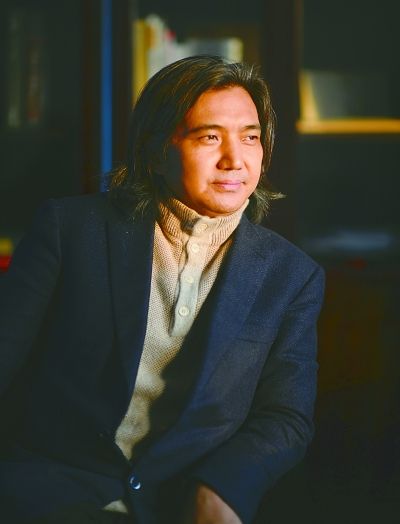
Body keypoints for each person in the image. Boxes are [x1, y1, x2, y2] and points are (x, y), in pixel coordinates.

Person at [0, 55, 324, 524]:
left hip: (179, 501)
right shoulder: (69, 231)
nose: (235, 160)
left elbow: (285, 417)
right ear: (156, 151)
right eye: (209, 137)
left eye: (250, 137)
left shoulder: (291, 275)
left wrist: (219, 490)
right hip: (52, 494)